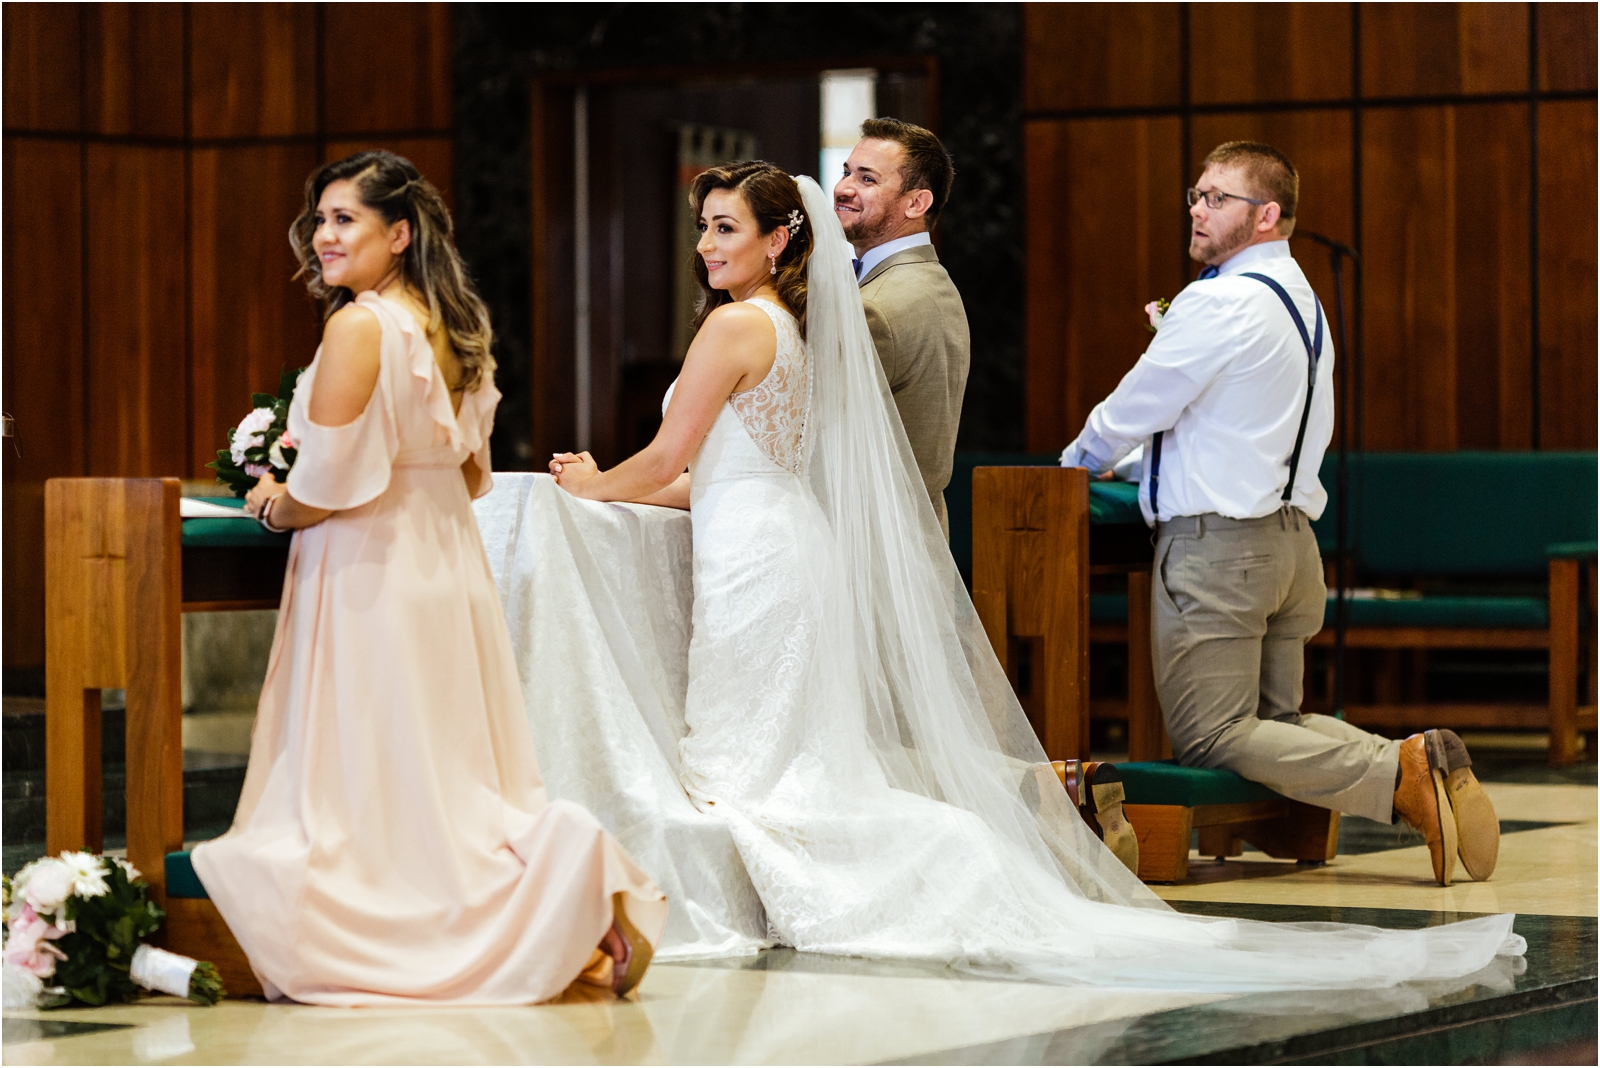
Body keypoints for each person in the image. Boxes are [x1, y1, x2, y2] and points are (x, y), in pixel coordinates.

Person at [533, 159, 1520, 988]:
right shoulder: (1298, 301)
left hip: (1190, 542)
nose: (705, 246)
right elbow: (722, 473)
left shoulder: (736, 327)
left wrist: (587, 486)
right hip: (1277, 535)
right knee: (788, 754)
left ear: (779, 241)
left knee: (1213, 726)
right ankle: (1365, 775)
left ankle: (1378, 775)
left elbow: (671, 461)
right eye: (700, 229)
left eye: (722, 228)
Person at [191, 151, 664, 1005]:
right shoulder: (452, 322)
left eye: (346, 220)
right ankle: (567, 893)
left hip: (370, 565)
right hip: (443, 559)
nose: (325, 237)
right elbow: (475, 474)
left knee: (377, 768)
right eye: (321, 220)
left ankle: (533, 899)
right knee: (446, 768)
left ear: (399, 232)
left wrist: (269, 498)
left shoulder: (360, 326)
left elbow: (327, 485)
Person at [1058, 141, 1499, 887]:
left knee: (1211, 734)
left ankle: (1403, 767)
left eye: (1217, 197)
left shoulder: (1220, 300)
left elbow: (1134, 408)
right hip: (1292, 548)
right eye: (1194, 194)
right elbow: (1225, 421)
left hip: (1221, 550)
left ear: (1266, 215)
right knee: (1276, 725)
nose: (1198, 209)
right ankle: (1417, 762)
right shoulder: (1304, 302)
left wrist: (1072, 466)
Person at [833, 118, 970, 535]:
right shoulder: (931, 281)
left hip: (870, 540)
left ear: (916, 203)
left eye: (867, 178)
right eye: (846, 172)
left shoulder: (877, 306)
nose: (843, 188)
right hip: (915, 534)